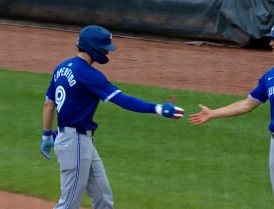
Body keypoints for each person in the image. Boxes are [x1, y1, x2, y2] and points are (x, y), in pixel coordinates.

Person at [40, 25, 185, 209]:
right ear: (92, 48)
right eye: (103, 49)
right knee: (68, 205)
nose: (107, 53)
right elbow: (123, 100)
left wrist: (46, 135)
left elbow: (48, 103)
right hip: (74, 143)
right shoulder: (89, 75)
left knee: (103, 200)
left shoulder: (61, 68)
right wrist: (157, 108)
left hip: (80, 142)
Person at [189, 22, 274, 209]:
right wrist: (214, 113)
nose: (271, 43)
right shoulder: (270, 76)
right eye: (271, 39)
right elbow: (247, 104)